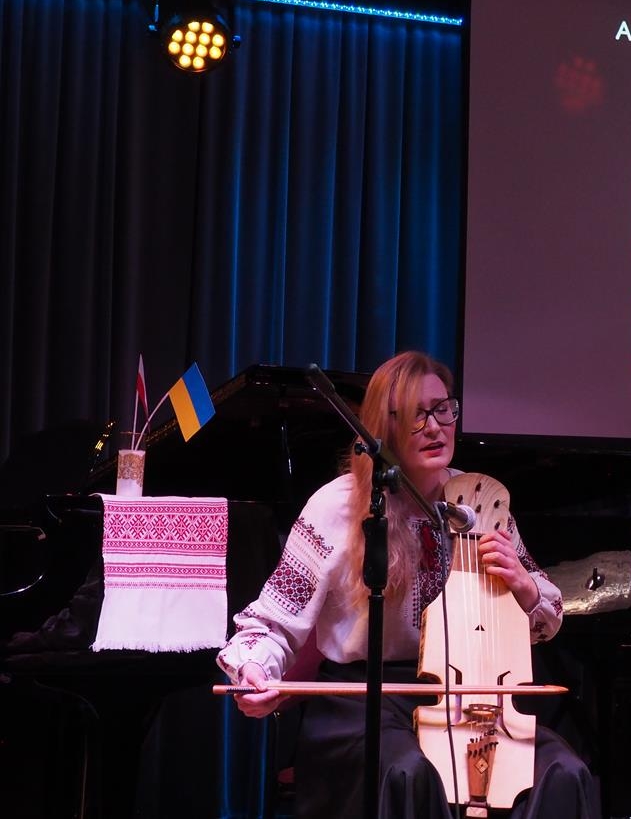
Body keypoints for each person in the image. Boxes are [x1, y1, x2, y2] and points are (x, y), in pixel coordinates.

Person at [217, 351, 597, 819]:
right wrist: (254, 669)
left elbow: (546, 620)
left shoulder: (480, 501)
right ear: (385, 427)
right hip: (364, 702)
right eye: (417, 415)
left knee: (563, 771)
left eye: (442, 410)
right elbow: (272, 623)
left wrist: (525, 587)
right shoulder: (339, 507)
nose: (435, 427)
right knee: (410, 772)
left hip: (467, 701)